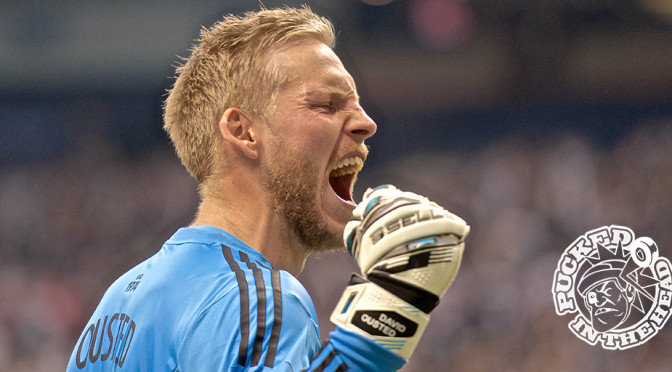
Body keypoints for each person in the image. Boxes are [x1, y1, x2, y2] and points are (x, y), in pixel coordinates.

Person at [67, 6, 469, 371]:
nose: (366, 122)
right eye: (327, 105)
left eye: (357, 105)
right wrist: (376, 331)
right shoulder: (256, 297)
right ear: (244, 132)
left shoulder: (116, 305)